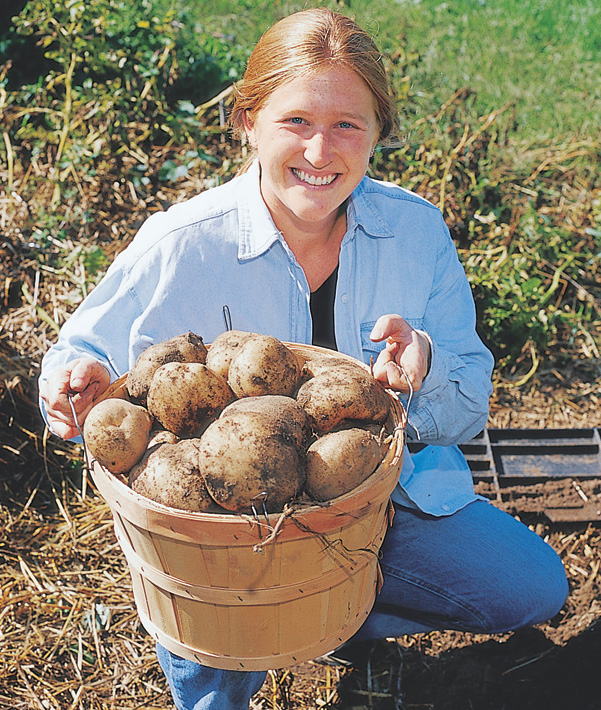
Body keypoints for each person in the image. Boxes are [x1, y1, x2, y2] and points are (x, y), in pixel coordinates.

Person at [38, 8, 568, 710]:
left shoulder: (414, 232)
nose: (320, 152)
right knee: (217, 626)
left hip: (384, 498)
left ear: (378, 131)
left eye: (347, 124)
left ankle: (340, 619)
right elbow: (80, 353)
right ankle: (215, 685)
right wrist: (76, 386)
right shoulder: (183, 243)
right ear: (247, 120)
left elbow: (468, 406)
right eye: (295, 121)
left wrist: (427, 363)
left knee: (531, 589)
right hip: (220, 529)